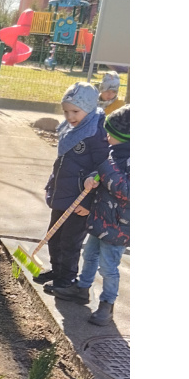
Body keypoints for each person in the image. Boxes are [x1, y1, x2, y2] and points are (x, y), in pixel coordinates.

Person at [53, 106, 129, 326]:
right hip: (100, 218)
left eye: (111, 133)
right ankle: (82, 288)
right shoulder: (115, 153)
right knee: (89, 255)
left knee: (108, 266)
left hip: (119, 226)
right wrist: (93, 176)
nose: (106, 137)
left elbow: (126, 190)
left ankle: (107, 304)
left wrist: (104, 169)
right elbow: (104, 170)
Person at [35, 82, 109, 292]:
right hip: (62, 195)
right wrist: (52, 185)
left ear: (90, 108)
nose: (70, 117)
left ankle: (67, 278)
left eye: (75, 111)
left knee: (70, 241)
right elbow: (62, 163)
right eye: (66, 112)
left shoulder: (96, 134)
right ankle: (57, 270)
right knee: (54, 236)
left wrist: (88, 202)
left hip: (79, 201)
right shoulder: (70, 130)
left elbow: (102, 168)